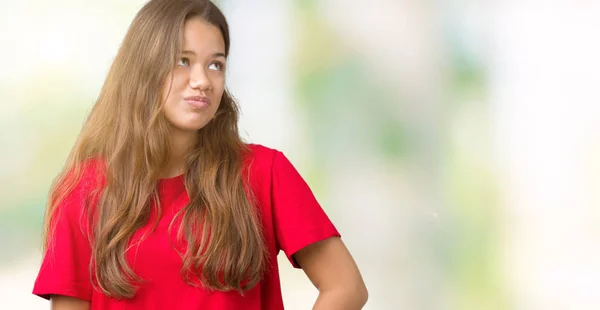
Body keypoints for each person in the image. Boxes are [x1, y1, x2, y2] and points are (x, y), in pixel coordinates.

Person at [32, 0, 368, 309]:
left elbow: (346, 287)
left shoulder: (264, 173)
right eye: (183, 61)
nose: (202, 81)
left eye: (216, 65)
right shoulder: (83, 191)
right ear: (144, 68)